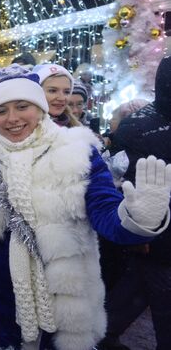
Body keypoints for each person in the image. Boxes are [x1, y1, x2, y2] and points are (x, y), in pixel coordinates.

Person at [0, 65, 171, 350]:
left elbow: (104, 211)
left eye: (22, 106)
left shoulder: (75, 151)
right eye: (1, 111)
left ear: (39, 108)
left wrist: (136, 219)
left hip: (61, 299)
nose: (12, 118)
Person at [100, 56, 171, 350]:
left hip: (155, 244)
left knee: (138, 290)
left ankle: (103, 336)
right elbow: (123, 182)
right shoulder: (139, 126)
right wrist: (138, 231)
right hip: (156, 235)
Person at [34, 63, 80, 127]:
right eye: (53, 91)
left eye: (66, 92)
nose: (61, 98)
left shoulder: (77, 128)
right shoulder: (25, 130)